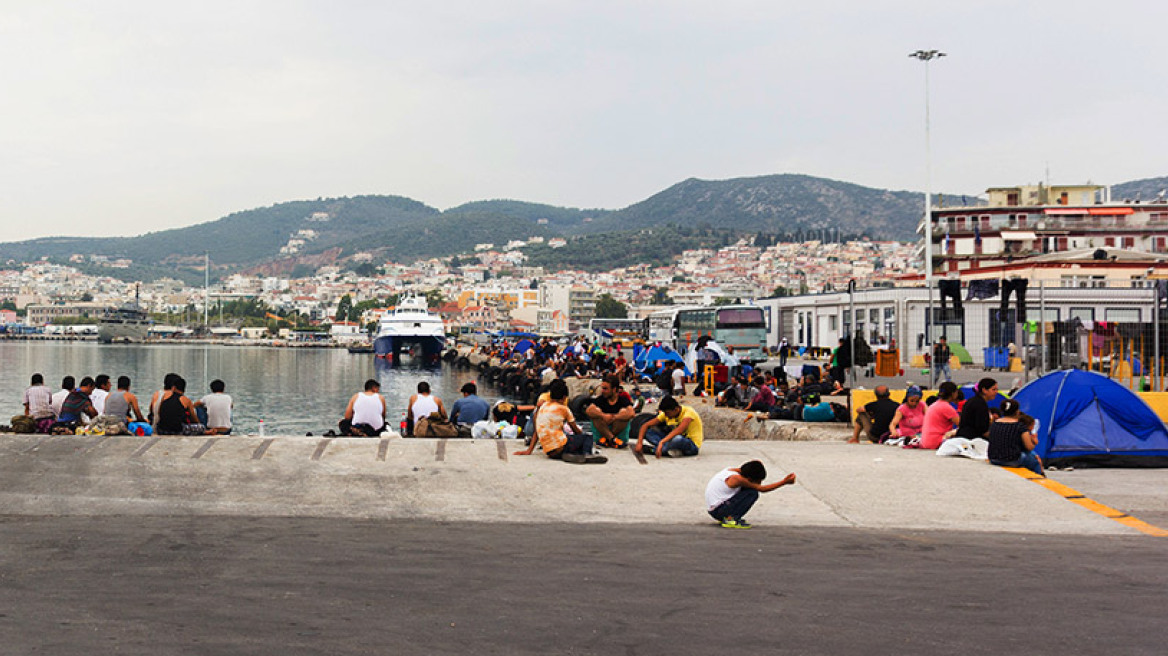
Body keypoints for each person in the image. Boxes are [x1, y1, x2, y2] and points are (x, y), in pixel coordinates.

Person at [513, 379, 606, 463]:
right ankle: (587, 454)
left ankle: (568, 454)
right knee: (587, 437)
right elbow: (575, 430)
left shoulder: (542, 406)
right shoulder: (564, 409)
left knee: (570, 440)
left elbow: (537, 431)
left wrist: (529, 450)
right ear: (564, 397)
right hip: (561, 446)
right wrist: (582, 437)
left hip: (549, 452)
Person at [705, 460, 797, 529]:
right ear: (749, 478)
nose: (759, 483)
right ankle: (730, 519)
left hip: (717, 508)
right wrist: (784, 482)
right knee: (752, 493)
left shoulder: (731, 471)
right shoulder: (737, 479)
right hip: (719, 510)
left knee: (749, 489)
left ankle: (729, 516)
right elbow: (762, 489)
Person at [987, 398, 1043, 476]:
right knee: (1034, 461)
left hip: (993, 458)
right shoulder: (1020, 426)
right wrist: (1034, 440)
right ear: (1017, 412)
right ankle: (1040, 478)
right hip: (1012, 459)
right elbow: (1029, 447)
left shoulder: (994, 424)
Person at [635, 395, 703, 458]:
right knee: (648, 432)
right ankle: (668, 450)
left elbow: (680, 430)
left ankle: (654, 450)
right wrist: (639, 443)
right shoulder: (666, 414)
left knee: (678, 439)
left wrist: (662, 442)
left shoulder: (688, 412)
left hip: (690, 445)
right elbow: (645, 425)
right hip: (670, 441)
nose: (666, 415)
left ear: (676, 409)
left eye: (668, 413)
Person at [584, 374, 636, 448]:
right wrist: (603, 415)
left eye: (605, 389)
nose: (603, 391)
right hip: (603, 429)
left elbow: (632, 413)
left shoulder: (623, 400)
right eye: (602, 388)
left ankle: (607, 439)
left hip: (617, 430)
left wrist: (614, 417)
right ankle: (612, 439)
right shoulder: (600, 399)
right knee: (596, 412)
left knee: (624, 412)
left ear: (614, 389)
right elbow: (588, 410)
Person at [921, 381, 961, 449]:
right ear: (953, 393)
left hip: (926, 442)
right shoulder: (946, 407)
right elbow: (962, 424)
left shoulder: (934, 405)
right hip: (936, 442)